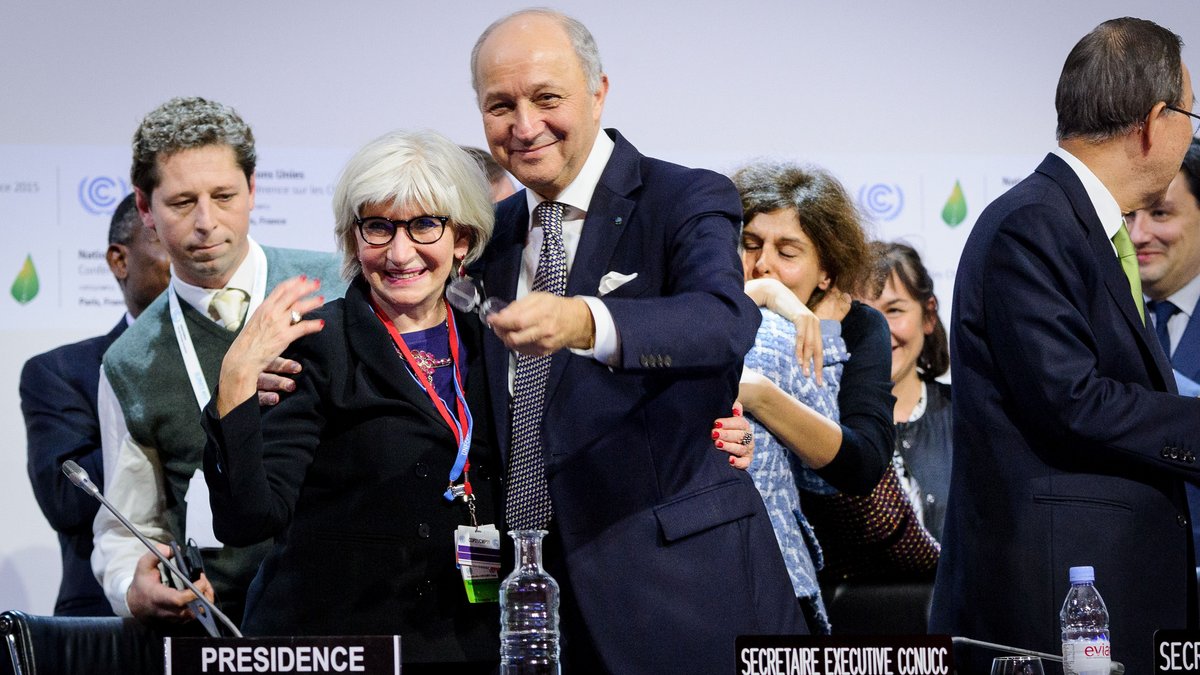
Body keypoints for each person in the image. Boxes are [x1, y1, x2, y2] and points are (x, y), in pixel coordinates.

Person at [471, 9, 805, 672]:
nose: (524, 124)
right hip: (533, 606)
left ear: (598, 91)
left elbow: (721, 320)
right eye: (499, 104)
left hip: (683, 593)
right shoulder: (490, 232)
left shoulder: (683, 197)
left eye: (547, 97)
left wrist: (584, 321)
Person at [929, 18, 1200, 673]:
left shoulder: (1075, 226)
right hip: (1052, 612)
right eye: (1190, 113)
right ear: (1155, 121)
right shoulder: (1033, 226)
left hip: (1106, 593)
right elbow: (1073, 399)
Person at [202, 130, 500, 672]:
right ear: (352, 238)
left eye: (424, 224)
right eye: (378, 227)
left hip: (466, 642)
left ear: (462, 239)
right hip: (336, 645)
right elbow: (250, 518)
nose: (400, 251)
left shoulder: (495, 348)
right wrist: (235, 385)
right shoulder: (317, 345)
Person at [91, 97, 345, 627]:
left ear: (253, 191)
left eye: (224, 196)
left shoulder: (338, 288)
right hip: (228, 632)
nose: (206, 222)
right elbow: (126, 526)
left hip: (354, 615)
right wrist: (133, 586)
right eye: (182, 202)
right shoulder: (130, 362)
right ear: (145, 208)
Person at [733, 162, 936, 585]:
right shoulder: (699, 312)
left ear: (826, 270)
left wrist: (760, 393)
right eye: (749, 244)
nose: (762, 265)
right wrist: (772, 298)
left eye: (787, 252)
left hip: (817, 571)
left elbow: (861, 465)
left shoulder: (856, 326)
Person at [20, 193, 169, 616]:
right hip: (108, 619)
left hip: (236, 610)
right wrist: (166, 408)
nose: (185, 255)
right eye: (162, 239)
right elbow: (66, 502)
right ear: (120, 261)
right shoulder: (60, 372)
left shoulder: (242, 360)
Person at [1130, 138, 1200, 558]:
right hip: (1126, 573)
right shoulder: (1090, 321)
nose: (1139, 235)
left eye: (1159, 213)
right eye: (1129, 216)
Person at [862, 241, 952, 542]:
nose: (877, 331)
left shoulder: (969, 415)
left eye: (894, 310)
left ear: (928, 316)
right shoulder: (822, 418)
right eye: (862, 313)